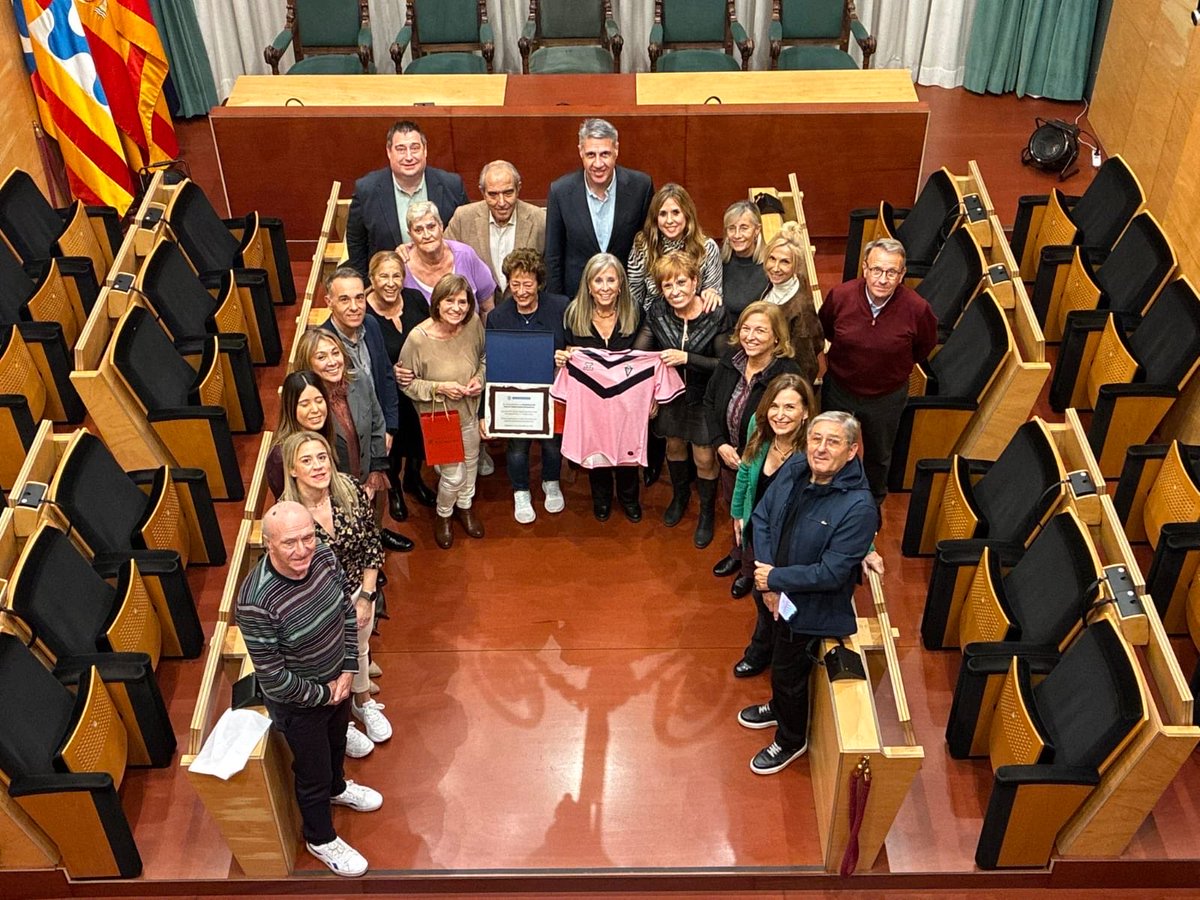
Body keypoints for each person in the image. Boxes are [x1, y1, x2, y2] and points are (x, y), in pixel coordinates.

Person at [235, 501, 382, 877]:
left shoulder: (325, 558)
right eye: (289, 543)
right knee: (312, 771)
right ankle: (320, 837)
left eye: (307, 538)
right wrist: (324, 694)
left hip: (338, 682)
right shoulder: (255, 602)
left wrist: (349, 668)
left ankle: (338, 788)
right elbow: (273, 677)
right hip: (300, 705)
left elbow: (347, 613)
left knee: (337, 746)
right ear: (268, 545)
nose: (302, 550)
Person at [737, 411, 878, 775]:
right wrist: (768, 580)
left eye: (833, 442)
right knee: (778, 663)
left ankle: (790, 738)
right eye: (816, 438)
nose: (821, 448)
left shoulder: (860, 508)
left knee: (788, 672)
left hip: (811, 608)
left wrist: (776, 580)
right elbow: (764, 517)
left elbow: (831, 573)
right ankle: (780, 706)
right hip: (775, 588)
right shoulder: (798, 465)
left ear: (852, 451)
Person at [281, 432, 390, 760]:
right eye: (307, 460)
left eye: (322, 457)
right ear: (292, 469)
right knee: (330, 666)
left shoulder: (350, 489)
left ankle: (364, 703)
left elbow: (372, 541)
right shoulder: (286, 514)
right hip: (319, 608)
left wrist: (366, 596)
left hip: (359, 591)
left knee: (360, 649)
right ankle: (341, 726)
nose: (317, 467)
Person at [818, 237, 938, 505]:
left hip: (886, 397)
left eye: (891, 272)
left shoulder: (918, 309)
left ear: (902, 274)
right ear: (864, 268)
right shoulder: (841, 296)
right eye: (876, 270)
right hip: (840, 388)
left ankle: (870, 503)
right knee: (829, 444)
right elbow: (826, 329)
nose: (883, 279)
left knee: (878, 455)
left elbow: (923, 347)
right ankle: (827, 493)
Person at [705, 304, 804, 598]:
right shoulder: (730, 361)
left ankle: (750, 569)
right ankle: (738, 552)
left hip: (765, 464)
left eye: (760, 330)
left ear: (777, 338)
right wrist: (720, 443)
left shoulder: (787, 374)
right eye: (746, 329)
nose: (750, 336)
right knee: (736, 510)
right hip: (729, 457)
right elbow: (710, 402)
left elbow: (788, 420)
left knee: (758, 518)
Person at [634, 251, 728, 547]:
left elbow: (725, 365)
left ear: (695, 282)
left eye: (681, 283)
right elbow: (641, 357)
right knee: (674, 447)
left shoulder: (716, 314)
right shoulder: (658, 313)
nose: (675, 292)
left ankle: (706, 514)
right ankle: (679, 496)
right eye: (667, 286)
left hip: (705, 398)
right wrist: (646, 394)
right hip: (670, 397)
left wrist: (687, 358)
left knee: (703, 457)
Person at [291, 329, 412, 552]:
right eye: (321, 357)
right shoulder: (307, 404)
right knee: (346, 537)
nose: (332, 362)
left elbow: (377, 420)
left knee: (373, 517)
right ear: (306, 364)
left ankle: (375, 540)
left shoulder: (360, 380)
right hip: (334, 490)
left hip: (368, 473)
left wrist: (375, 469)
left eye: (335, 353)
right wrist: (348, 492)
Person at [728, 374, 815, 677]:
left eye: (790, 407)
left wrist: (867, 547)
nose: (780, 415)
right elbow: (746, 468)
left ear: (805, 412)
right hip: (760, 534)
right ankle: (763, 648)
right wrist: (738, 512)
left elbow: (841, 497)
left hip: (793, 543)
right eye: (774, 406)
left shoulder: (814, 449)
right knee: (762, 595)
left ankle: (770, 653)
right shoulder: (759, 426)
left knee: (783, 601)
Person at [555, 252, 646, 522]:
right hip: (592, 401)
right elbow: (569, 353)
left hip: (628, 401)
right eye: (598, 280)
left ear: (621, 284)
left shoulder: (636, 313)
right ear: (589, 285)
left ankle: (629, 499)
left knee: (628, 449)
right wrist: (563, 358)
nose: (605, 287)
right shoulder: (573, 315)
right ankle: (602, 499)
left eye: (611, 280)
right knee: (597, 450)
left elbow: (647, 358)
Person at [398, 274, 487, 549]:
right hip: (439, 420)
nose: (457, 308)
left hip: (469, 412)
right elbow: (407, 383)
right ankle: (444, 514)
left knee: (471, 464)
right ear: (437, 303)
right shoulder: (417, 338)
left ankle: (466, 507)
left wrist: (479, 380)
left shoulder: (472, 323)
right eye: (450, 301)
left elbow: (483, 359)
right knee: (453, 475)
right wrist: (440, 388)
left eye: (463, 302)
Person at [483, 248, 568, 524]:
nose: (521, 291)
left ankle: (551, 482)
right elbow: (494, 362)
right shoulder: (498, 316)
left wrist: (564, 356)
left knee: (552, 445)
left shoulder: (560, 307)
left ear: (539, 283)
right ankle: (521, 490)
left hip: (552, 391)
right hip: (515, 397)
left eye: (527, 284)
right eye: (515, 284)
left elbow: (573, 346)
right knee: (518, 448)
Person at [319, 266, 402, 519]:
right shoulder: (321, 343)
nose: (355, 306)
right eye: (344, 299)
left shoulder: (371, 324)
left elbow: (386, 376)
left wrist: (389, 426)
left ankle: (378, 535)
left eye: (359, 297)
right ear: (329, 302)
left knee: (378, 496)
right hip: (348, 441)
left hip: (377, 427)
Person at [544, 118, 654, 297]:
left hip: (626, 298)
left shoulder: (641, 187)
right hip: (577, 301)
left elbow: (649, 246)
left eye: (604, 154)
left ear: (616, 150)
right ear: (580, 152)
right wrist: (557, 306)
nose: (598, 164)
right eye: (590, 155)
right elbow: (553, 256)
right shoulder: (560, 191)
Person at [345, 120, 468, 276]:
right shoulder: (367, 190)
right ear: (389, 152)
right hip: (390, 286)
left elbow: (465, 235)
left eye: (415, 148)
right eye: (401, 149)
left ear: (425, 150)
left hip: (444, 281)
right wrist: (365, 284)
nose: (409, 157)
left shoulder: (452, 185)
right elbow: (356, 243)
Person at [365, 251, 436, 518]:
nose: (391, 282)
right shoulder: (366, 314)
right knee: (393, 448)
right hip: (388, 394)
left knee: (419, 440)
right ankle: (394, 489)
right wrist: (389, 371)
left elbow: (432, 333)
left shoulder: (415, 299)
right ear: (372, 278)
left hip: (419, 389)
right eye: (383, 276)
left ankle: (413, 479)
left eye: (396, 275)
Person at [445, 161, 547, 292]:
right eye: (493, 194)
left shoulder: (540, 220)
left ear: (518, 188)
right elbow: (441, 256)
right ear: (482, 192)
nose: (502, 202)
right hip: (479, 309)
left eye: (508, 193)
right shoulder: (463, 218)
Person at [626, 183, 722, 312]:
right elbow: (634, 297)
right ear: (655, 218)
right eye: (663, 214)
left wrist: (711, 293)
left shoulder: (707, 248)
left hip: (696, 321)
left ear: (687, 215)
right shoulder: (643, 245)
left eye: (676, 213)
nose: (669, 220)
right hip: (652, 321)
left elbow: (713, 293)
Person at [402, 201, 498, 315]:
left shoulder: (465, 255)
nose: (427, 235)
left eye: (431, 227)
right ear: (410, 235)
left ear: (441, 227)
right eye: (418, 230)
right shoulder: (402, 266)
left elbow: (487, 308)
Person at [758, 223, 823, 385]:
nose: (775, 268)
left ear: (796, 266)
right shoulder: (772, 284)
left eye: (785, 262)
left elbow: (805, 365)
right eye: (772, 259)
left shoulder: (801, 308)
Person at [266, 371, 338, 500]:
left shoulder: (323, 433)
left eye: (319, 400)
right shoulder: (280, 457)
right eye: (305, 404)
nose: (315, 409)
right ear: (291, 408)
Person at [721, 200, 769, 316]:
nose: (737, 235)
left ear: (757, 230)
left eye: (744, 228)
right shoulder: (718, 261)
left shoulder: (770, 266)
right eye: (731, 228)